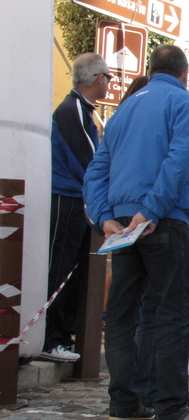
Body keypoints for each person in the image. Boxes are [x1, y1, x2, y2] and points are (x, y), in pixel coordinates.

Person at [83, 45, 189, 420]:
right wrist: (153, 209)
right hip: (161, 219)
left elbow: (97, 168)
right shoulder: (185, 103)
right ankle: (172, 406)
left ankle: (125, 401)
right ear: (184, 73)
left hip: (123, 222)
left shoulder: (124, 109)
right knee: (172, 311)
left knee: (125, 312)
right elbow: (180, 161)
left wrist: (104, 217)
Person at [42, 53, 111, 363]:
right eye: (107, 77)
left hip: (81, 199)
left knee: (77, 268)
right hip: (67, 197)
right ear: (97, 79)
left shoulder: (85, 111)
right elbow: (88, 161)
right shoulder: (71, 110)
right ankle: (51, 337)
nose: (109, 83)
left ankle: (67, 334)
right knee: (61, 266)